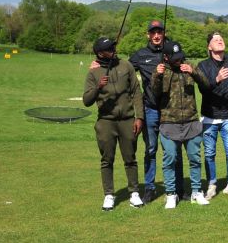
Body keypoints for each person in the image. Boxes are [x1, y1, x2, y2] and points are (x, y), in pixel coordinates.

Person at [83, 37, 144, 211]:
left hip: (127, 120)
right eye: (109, 48)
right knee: (106, 160)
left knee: (130, 159)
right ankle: (109, 195)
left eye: (113, 47)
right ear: (100, 53)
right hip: (106, 122)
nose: (114, 50)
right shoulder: (93, 73)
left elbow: (136, 92)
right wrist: (98, 88)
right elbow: (86, 100)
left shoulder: (126, 66)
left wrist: (139, 117)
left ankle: (134, 193)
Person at [151, 41, 208, 209]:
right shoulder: (162, 70)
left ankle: (196, 192)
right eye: (175, 58)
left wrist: (194, 72)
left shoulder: (189, 66)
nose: (179, 61)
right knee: (170, 159)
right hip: (169, 122)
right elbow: (154, 94)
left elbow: (206, 85)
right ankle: (171, 194)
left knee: (195, 159)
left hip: (191, 121)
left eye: (180, 57)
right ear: (166, 57)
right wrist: (157, 75)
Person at [194, 31, 228, 203]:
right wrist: (216, 79)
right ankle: (212, 185)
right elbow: (203, 89)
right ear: (209, 46)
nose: (220, 41)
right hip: (210, 118)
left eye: (221, 39)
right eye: (216, 40)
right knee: (209, 154)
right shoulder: (202, 66)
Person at [127, 19, 175, 203]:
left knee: (172, 151)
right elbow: (123, 70)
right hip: (150, 109)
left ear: (163, 33)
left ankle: (175, 186)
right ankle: (149, 187)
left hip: (170, 111)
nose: (156, 35)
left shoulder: (171, 50)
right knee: (151, 149)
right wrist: (99, 65)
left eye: (159, 32)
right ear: (148, 35)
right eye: (153, 32)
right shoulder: (140, 55)